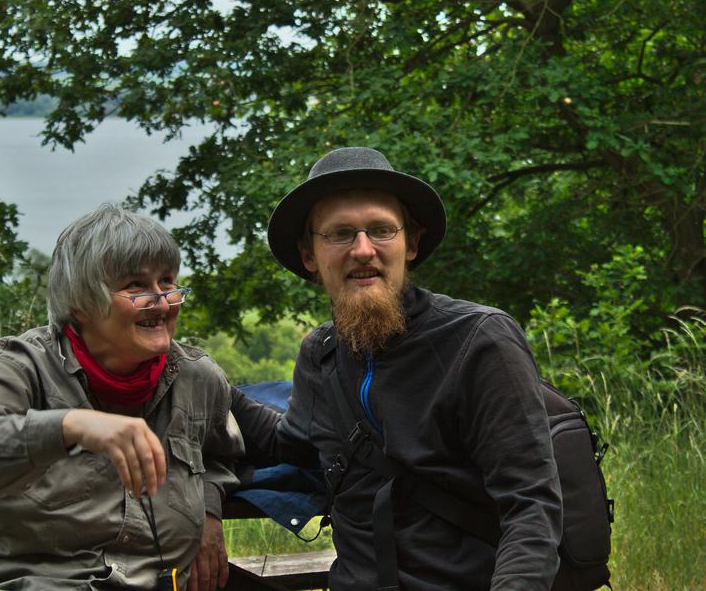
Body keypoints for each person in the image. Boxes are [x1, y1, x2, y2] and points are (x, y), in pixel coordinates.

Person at [231, 147, 562, 589]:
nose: (363, 250)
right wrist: (195, 376)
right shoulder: (321, 354)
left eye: (382, 230)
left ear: (413, 243)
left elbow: (531, 506)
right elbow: (286, 443)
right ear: (309, 254)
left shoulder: (479, 340)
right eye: (340, 234)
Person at [0, 205, 243, 591]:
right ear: (81, 303)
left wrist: (209, 513)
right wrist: (70, 426)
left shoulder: (198, 377)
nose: (162, 301)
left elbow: (218, 455)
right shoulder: (19, 365)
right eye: (136, 286)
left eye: (167, 281)